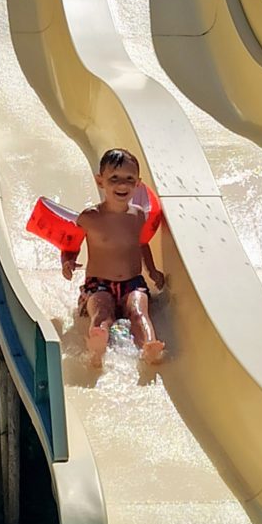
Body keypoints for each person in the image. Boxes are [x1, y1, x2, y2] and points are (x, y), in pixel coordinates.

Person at [62, 149, 166, 367]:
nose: (122, 185)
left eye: (129, 179)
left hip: (133, 282)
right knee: (102, 312)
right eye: (114, 178)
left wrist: (152, 270)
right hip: (99, 284)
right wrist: (68, 260)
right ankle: (96, 350)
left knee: (139, 312)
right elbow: (70, 242)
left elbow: (141, 244)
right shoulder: (90, 217)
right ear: (100, 181)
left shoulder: (138, 215)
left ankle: (150, 346)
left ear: (137, 183)